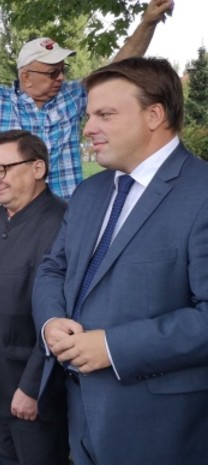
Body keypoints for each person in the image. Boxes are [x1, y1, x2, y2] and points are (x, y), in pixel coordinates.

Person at [34, 57, 208, 465]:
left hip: (158, 429)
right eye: (89, 115)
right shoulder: (89, 192)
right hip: (78, 415)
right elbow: (53, 268)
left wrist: (114, 347)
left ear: (154, 115)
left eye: (105, 115)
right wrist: (51, 321)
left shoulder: (201, 193)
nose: (88, 127)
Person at [0, 0, 174, 200]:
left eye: (62, 70)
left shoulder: (72, 97)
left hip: (67, 214)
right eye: (52, 73)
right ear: (26, 77)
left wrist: (148, 22)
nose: (61, 78)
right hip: (14, 218)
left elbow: (118, 69)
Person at [0, 130, 67, 465]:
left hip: (30, 387)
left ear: (38, 168)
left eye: (3, 169)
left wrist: (32, 387)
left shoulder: (61, 223)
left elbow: (59, 316)